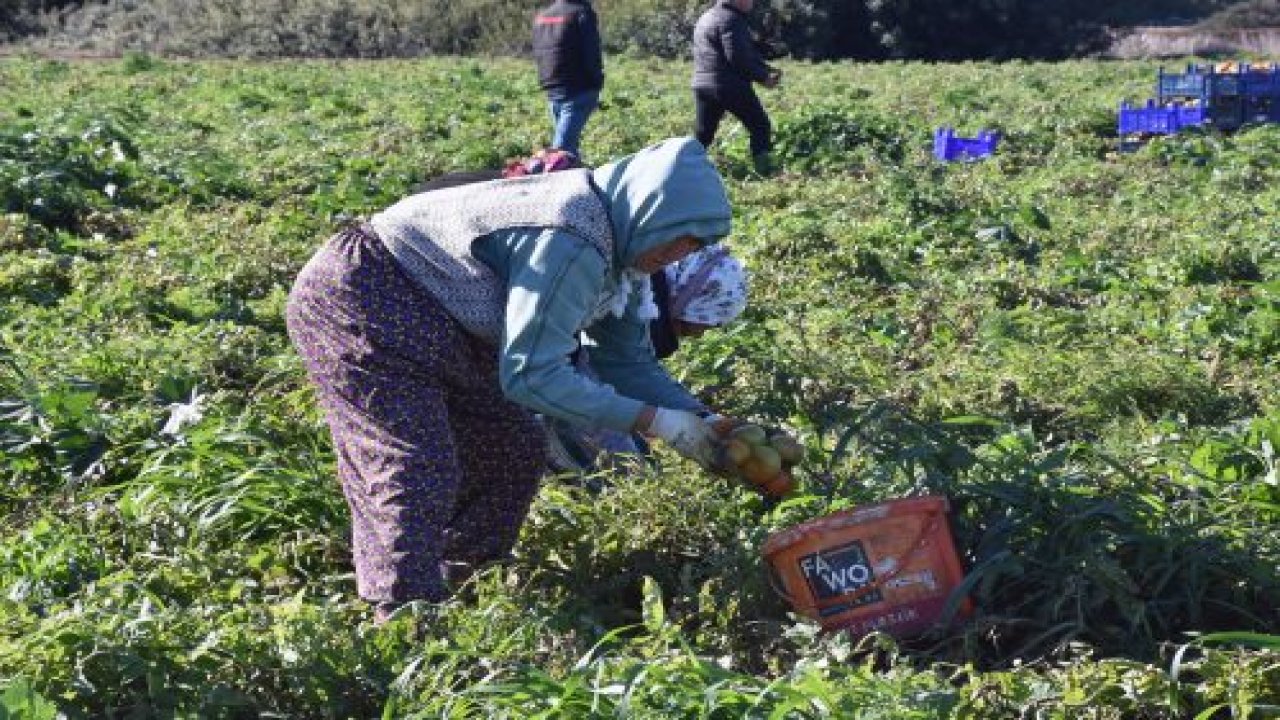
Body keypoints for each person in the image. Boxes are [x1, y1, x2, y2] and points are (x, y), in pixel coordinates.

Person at [285, 138, 741, 621]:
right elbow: (532, 376)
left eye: (694, 246)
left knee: (514, 445)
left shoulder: (625, 250)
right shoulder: (573, 237)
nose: (679, 253)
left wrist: (703, 420)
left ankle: (461, 581)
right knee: (415, 463)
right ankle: (403, 620)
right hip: (369, 297)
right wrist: (658, 422)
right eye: (681, 238)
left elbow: (626, 362)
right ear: (654, 214)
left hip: (447, 321)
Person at [544, 244, 750, 473]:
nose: (700, 333)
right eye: (707, 321)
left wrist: (704, 418)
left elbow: (630, 366)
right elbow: (623, 366)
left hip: (561, 375)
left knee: (628, 461)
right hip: (549, 379)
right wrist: (667, 421)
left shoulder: (644, 296)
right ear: (692, 296)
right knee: (616, 469)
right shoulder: (634, 288)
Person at [691, 0, 781, 172]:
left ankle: (686, 170)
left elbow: (730, 52)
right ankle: (766, 171)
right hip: (728, 86)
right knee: (760, 126)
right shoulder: (731, 19)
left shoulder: (706, 17)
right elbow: (737, 58)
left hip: (703, 85)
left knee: (702, 137)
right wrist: (764, 77)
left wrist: (764, 63)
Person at [532, 0, 604, 158]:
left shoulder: (543, 16)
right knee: (561, 155)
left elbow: (538, 52)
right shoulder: (582, 12)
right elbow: (591, 51)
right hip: (579, 89)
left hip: (552, 87)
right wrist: (597, 82)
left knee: (566, 148)